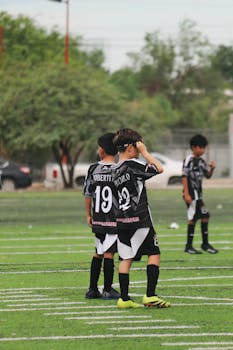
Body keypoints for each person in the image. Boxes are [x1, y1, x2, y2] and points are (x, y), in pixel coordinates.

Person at [112, 128, 171, 309]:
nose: (139, 151)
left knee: (126, 258)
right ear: (130, 147)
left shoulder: (115, 170)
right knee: (154, 253)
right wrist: (145, 152)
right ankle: (150, 296)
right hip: (140, 220)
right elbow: (159, 168)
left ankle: (124, 298)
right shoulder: (132, 165)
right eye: (137, 147)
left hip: (121, 220)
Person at [83, 133, 120, 299]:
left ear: (103, 150)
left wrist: (88, 214)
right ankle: (107, 289)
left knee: (98, 251)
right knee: (109, 252)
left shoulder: (93, 168)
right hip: (113, 218)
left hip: (98, 217)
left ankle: (92, 289)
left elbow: (87, 193)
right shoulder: (119, 169)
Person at [182, 134, 218, 254]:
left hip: (199, 195)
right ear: (194, 147)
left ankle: (204, 244)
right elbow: (184, 176)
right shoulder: (189, 160)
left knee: (203, 216)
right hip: (191, 194)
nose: (203, 150)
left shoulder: (202, 162)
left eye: (204, 148)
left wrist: (212, 168)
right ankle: (190, 246)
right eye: (201, 147)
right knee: (194, 218)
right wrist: (186, 193)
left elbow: (207, 176)